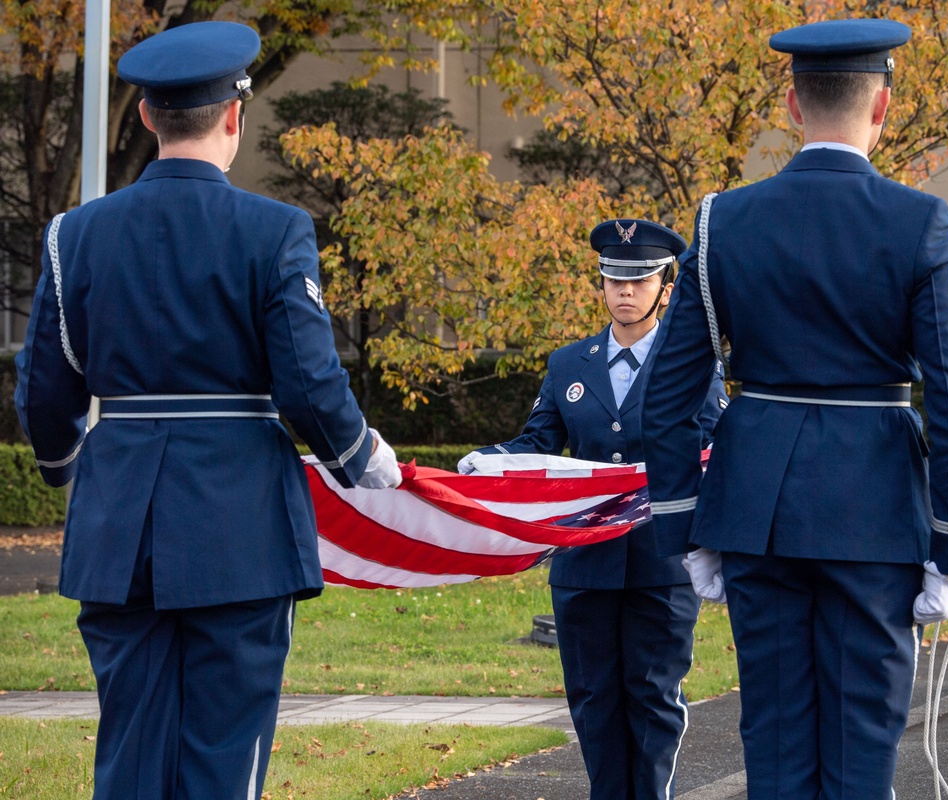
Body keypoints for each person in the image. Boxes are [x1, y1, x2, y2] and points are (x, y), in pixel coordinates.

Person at [14, 21, 402, 800]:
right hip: (240, 528)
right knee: (224, 758)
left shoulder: (74, 236)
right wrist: (361, 457)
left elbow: (44, 391)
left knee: (129, 750)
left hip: (119, 523)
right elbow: (306, 382)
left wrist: (63, 469)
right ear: (235, 115)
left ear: (149, 118)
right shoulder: (275, 231)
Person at [641, 18, 948, 800]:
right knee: (863, 750)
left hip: (757, 513)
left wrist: (684, 528)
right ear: (883, 108)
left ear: (792, 106)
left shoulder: (722, 220)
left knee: (778, 746)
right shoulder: (921, 222)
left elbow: (669, 394)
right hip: (878, 517)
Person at [459, 219, 728, 800]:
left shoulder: (692, 363)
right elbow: (537, 444)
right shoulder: (567, 365)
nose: (624, 291)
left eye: (639, 279)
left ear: (666, 284)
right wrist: (492, 459)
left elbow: (715, 449)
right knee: (592, 699)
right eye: (614, 279)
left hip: (662, 562)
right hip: (585, 563)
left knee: (653, 699)